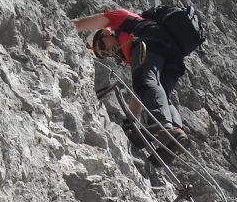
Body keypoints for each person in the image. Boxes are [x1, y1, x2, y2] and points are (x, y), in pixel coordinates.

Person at [71, 8, 189, 154]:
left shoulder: (120, 20)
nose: (107, 52)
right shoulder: (128, 52)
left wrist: (66, 25)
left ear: (105, 32)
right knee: (162, 95)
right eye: (103, 54)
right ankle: (176, 134)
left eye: (102, 46)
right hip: (172, 56)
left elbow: (86, 23)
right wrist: (130, 121)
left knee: (146, 82)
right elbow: (140, 90)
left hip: (152, 40)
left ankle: (162, 126)